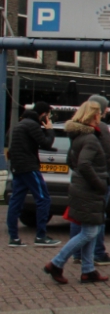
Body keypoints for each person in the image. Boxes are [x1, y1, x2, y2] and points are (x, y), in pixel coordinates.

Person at [43, 102, 110, 284]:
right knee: (88, 232)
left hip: (81, 187)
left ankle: (88, 270)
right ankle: (57, 263)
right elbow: (84, 164)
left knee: (90, 230)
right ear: (94, 116)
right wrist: (99, 184)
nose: (101, 118)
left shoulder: (77, 137)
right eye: (99, 115)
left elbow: (72, 162)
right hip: (89, 190)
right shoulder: (90, 139)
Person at [72, 95, 110, 265]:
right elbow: (108, 154)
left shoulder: (76, 130)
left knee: (79, 216)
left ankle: (79, 254)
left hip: (79, 180)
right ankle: (97, 253)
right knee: (98, 216)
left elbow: (73, 157)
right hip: (98, 177)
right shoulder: (100, 129)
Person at [6, 101, 59, 247]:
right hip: (29, 167)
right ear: (43, 114)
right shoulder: (33, 125)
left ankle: (14, 238)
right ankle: (41, 236)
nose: (48, 118)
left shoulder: (21, 123)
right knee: (43, 199)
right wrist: (49, 129)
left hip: (17, 167)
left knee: (16, 201)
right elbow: (46, 143)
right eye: (48, 116)